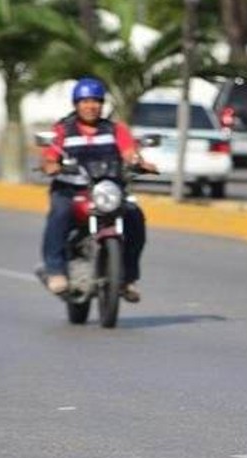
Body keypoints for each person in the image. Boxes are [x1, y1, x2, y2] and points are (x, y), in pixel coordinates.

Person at [40, 77, 156, 301]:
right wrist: (51, 165)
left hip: (107, 190)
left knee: (135, 218)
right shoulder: (63, 129)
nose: (90, 106)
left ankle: (128, 279)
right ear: (76, 104)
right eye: (85, 101)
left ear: (102, 104)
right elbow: (49, 157)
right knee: (59, 213)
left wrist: (138, 162)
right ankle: (55, 271)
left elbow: (129, 152)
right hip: (71, 190)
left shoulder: (115, 129)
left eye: (96, 101)